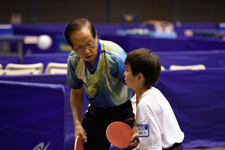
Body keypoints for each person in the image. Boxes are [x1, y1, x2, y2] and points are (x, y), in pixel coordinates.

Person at [64, 18, 135, 150]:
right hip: (96, 111)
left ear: (96, 35)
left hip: (124, 110)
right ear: (72, 47)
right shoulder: (73, 60)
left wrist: (137, 123)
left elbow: (137, 87)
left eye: (90, 43)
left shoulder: (114, 56)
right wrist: (77, 124)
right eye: (79, 47)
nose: (86, 51)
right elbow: (76, 92)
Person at [124, 48, 184, 150]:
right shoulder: (155, 93)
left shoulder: (145, 105)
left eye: (127, 70)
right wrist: (142, 137)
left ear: (139, 77)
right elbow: (155, 132)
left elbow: (151, 148)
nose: (124, 74)